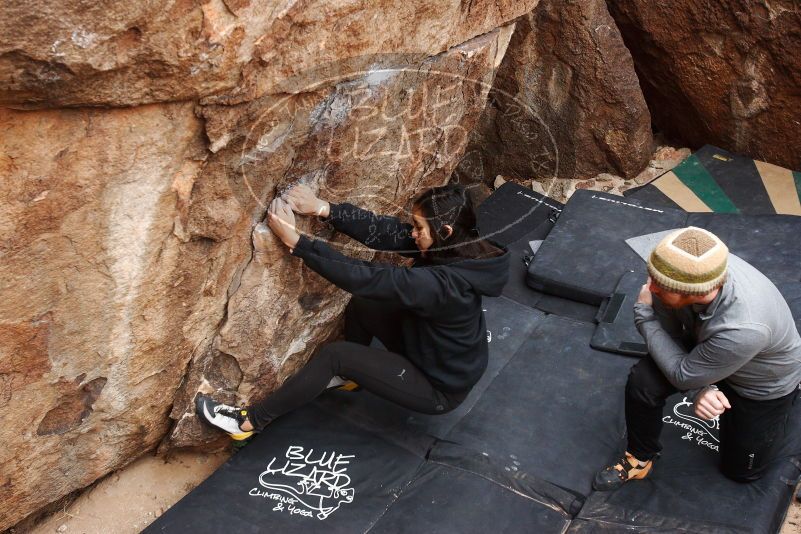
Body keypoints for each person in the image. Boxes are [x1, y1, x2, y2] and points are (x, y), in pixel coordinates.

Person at [196, 183, 509, 441]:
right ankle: (354, 376)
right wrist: (324, 208)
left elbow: (371, 278)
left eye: (419, 227)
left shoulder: (444, 285)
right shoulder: (457, 247)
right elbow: (388, 233)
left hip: (437, 386)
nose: (412, 233)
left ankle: (248, 422)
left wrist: (298, 242)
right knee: (365, 305)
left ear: (446, 230)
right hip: (431, 351)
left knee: (337, 354)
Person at [593, 226, 801, 490]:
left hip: (760, 382)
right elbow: (668, 335)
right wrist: (700, 388)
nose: (650, 288)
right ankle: (640, 458)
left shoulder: (744, 326)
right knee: (643, 381)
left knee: (741, 472)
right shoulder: (689, 267)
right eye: (652, 277)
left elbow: (681, 373)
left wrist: (643, 314)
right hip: (707, 349)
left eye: (661, 286)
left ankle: (791, 399)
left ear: (698, 293)